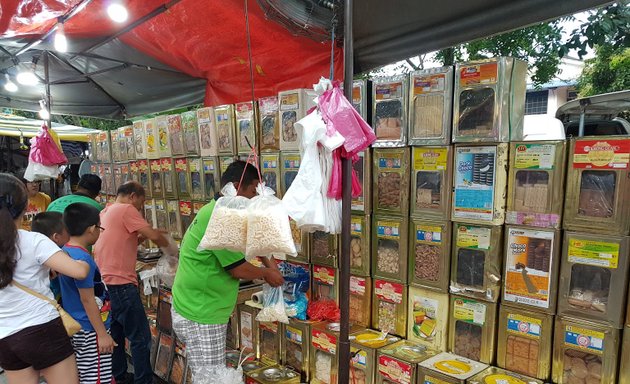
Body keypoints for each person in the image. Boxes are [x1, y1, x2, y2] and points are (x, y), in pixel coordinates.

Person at [171, 160, 285, 377]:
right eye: (253, 190)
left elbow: (256, 239)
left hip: (196, 304)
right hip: (201, 311)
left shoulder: (222, 209)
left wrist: (271, 264)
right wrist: (266, 273)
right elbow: (237, 269)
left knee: (206, 373)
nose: (255, 198)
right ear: (235, 186)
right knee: (210, 377)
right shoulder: (220, 216)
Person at [0, 173, 90, 384]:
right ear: (25, 208)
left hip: (4, 336)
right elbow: (78, 272)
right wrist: (84, 261)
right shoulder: (33, 241)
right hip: (41, 328)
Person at [94, 181, 171, 384]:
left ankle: (119, 376)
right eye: (141, 202)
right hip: (121, 284)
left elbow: (122, 241)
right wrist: (173, 252)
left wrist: (141, 238)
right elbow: (154, 235)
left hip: (106, 283)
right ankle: (143, 380)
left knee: (117, 334)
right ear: (132, 196)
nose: (140, 207)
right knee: (140, 337)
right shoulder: (126, 209)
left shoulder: (107, 211)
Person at [60, 203, 115, 384]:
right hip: (91, 329)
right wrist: (102, 334)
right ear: (92, 229)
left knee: (84, 373)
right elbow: (87, 299)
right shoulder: (82, 258)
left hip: (77, 326)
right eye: (100, 227)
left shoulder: (65, 252)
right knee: (95, 377)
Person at [31, 212, 71, 303]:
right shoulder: (62, 253)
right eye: (68, 231)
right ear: (56, 237)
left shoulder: (32, 250)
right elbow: (80, 272)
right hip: (54, 300)